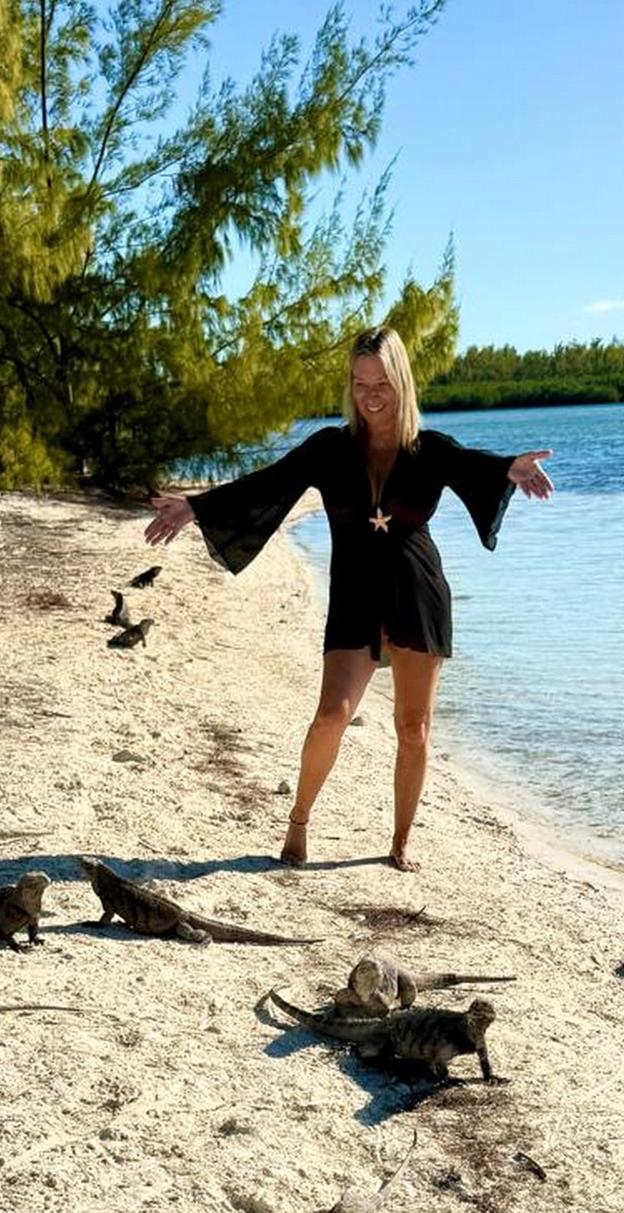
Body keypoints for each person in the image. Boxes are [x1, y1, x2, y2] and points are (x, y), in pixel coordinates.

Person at [145, 326, 553, 871]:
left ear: (401, 382)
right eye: (360, 383)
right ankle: (299, 821)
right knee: (332, 714)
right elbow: (269, 482)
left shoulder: (428, 450)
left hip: (417, 592)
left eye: (381, 381)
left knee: (414, 728)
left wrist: (509, 468)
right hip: (355, 594)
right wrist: (196, 507)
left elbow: (472, 465)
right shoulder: (330, 448)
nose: (371, 393)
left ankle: (401, 841)